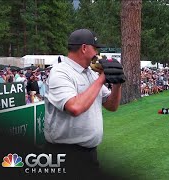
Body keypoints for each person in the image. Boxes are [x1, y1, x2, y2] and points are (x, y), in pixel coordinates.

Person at [43, 29, 124, 178]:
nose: (97, 53)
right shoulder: (60, 72)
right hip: (64, 154)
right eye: (95, 48)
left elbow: (112, 106)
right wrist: (102, 79)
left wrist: (117, 84)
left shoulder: (91, 73)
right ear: (84, 48)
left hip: (89, 154)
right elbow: (74, 107)